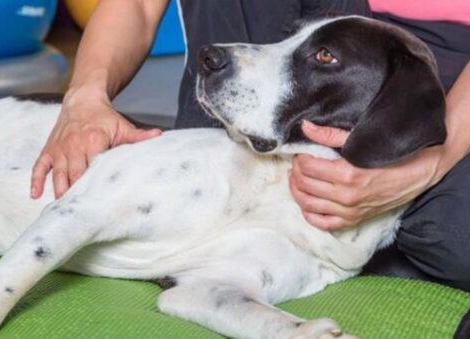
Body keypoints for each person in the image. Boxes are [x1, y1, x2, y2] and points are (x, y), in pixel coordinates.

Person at [30, 0, 470, 291]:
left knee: (456, 239)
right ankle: (225, 164)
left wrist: (425, 165)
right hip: (308, 22)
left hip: (454, 71)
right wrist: (85, 96)